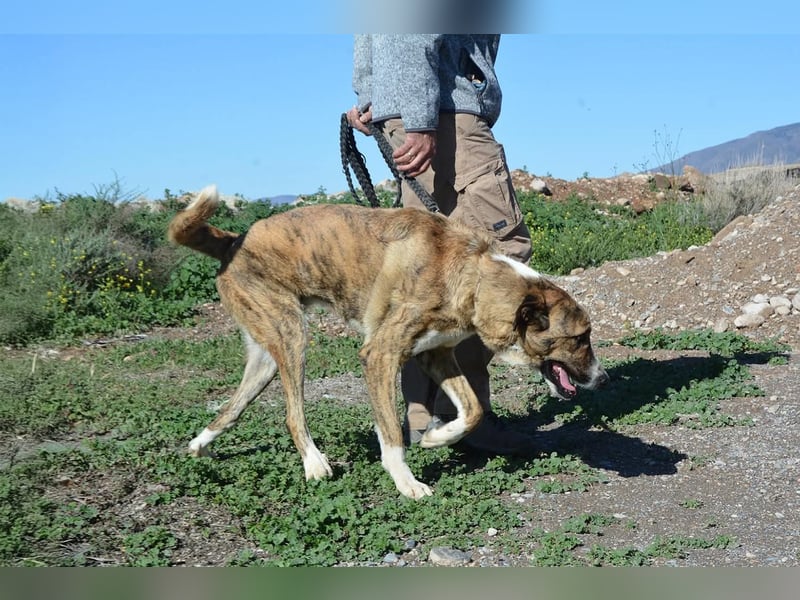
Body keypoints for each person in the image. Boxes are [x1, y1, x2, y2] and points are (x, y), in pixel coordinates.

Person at [345, 34, 534, 454]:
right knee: (503, 258)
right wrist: (420, 119)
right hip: (443, 110)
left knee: (426, 276)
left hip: (415, 107)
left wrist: (371, 91)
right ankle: (462, 412)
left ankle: (422, 413)